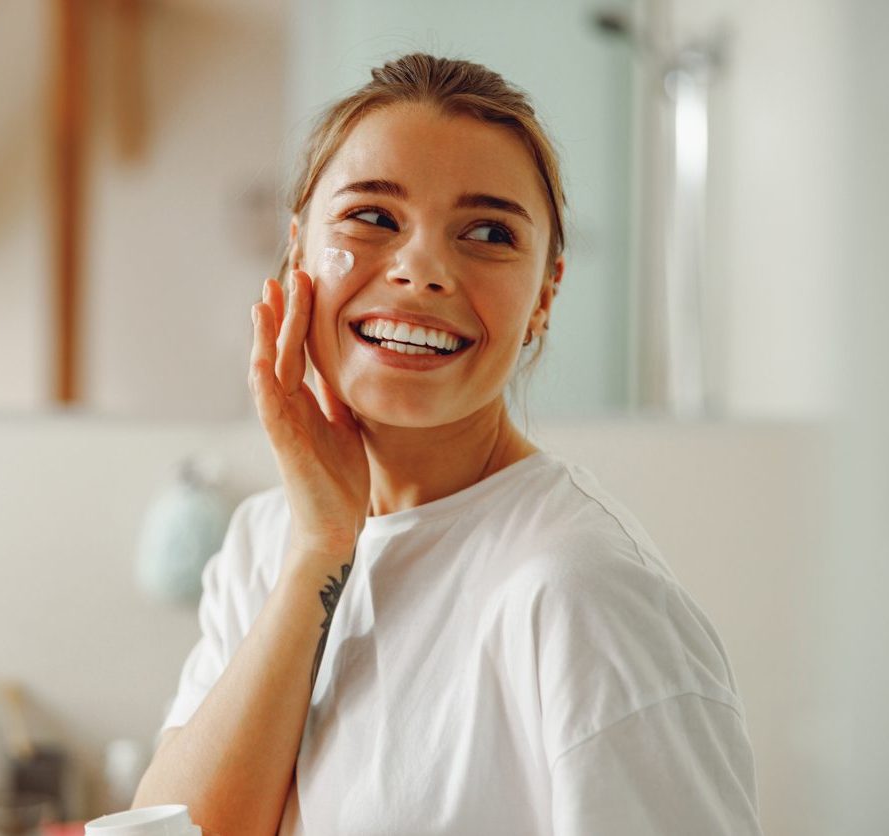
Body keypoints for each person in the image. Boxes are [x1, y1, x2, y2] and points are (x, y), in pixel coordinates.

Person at [132, 53, 763, 835]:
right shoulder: (267, 541)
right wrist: (320, 549)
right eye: (372, 217)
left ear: (544, 296)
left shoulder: (583, 594)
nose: (422, 269)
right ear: (297, 253)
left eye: (489, 232)